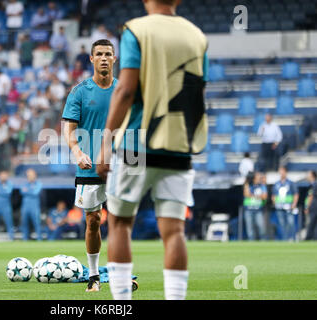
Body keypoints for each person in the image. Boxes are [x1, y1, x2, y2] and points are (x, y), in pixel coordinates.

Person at [96, 0, 208, 300]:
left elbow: (126, 89)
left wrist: (106, 141)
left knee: (120, 223)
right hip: (178, 146)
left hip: (135, 145)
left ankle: (122, 304)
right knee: (174, 231)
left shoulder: (135, 30)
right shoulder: (197, 36)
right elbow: (198, 93)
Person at [62, 39, 118, 292]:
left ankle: (120, 273)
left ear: (114, 59)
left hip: (121, 166)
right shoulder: (79, 92)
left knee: (121, 220)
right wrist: (76, 151)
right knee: (93, 219)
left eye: (108, 54)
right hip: (89, 167)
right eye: (99, 54)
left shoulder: (124, 91)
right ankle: (94, 276)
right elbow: (69, 130)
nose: (104, 58)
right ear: (92, 59)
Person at [272, 166, 299, 241]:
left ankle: (293, 238)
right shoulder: (277, 183)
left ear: (285, 172)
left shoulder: (290, 183)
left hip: (289, 206)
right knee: (281, 224)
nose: (281, 173)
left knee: (291, 223)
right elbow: (273, 195)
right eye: (280, 172)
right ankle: (285, 239)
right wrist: (274, 202)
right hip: (279, 207)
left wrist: (294, 203)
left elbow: (295, 194)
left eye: (282, 171)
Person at [243, 172, 267, 240]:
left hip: (258, 209)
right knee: (250, 229)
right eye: (257, 177)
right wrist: (247, 182)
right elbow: (246, 194)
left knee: (261, 228)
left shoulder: (261, 185)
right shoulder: (248, 185)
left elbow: (264, 196)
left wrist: (253, 196)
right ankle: (251, 244)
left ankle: (263, 242)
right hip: (249, 209)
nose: (259, 178)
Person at [20, 169, 42, 241]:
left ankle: (39, 239)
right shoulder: (24, 184)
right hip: (25, 207)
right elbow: (22, 191)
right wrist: (30, 191)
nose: (30, 177)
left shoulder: (39, 184)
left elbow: (35, 193)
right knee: (24, 223)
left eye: (31, 175)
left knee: (37, 223)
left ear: (35, 175)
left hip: (34, 207)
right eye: (28, 175)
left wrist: (28, 191)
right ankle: (25, 239)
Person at [304, 171, 317, 240]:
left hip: (314, 207)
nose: (307, 176)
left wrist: (307, 207)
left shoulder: (313, 185)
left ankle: (308, 238)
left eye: (308, 175)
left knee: (311, 223)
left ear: (312, 176)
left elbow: (310, 196)